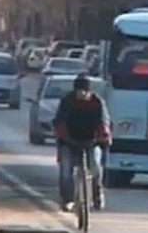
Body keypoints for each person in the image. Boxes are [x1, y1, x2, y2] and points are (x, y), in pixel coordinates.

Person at [52, 73, 111, 212]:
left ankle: (97, 195)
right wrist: (62, 136)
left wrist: (105, 135)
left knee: (95, 167)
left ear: (90, 91)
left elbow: (104, 121)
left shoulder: (97, 102)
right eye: (79, 90)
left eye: (85, 90)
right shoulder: (67, 101)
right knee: (66, 172)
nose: (82, 93)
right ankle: (68, 200)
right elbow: (59, 121)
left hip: (91, 141)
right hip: (69, 141)